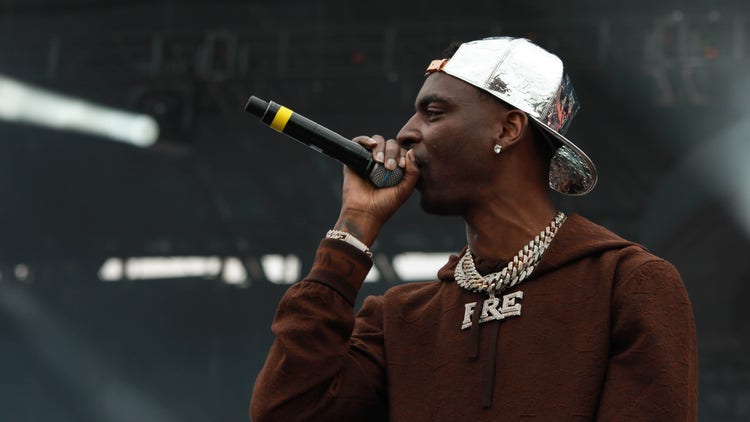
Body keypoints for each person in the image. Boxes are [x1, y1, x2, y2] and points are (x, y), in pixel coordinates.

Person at [250, 37, 698, 421]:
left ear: (508, 128)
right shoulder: (399, 319)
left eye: (433, 113)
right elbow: (285, 411)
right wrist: (354, 228)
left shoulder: (628, 285)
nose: (405, 134)